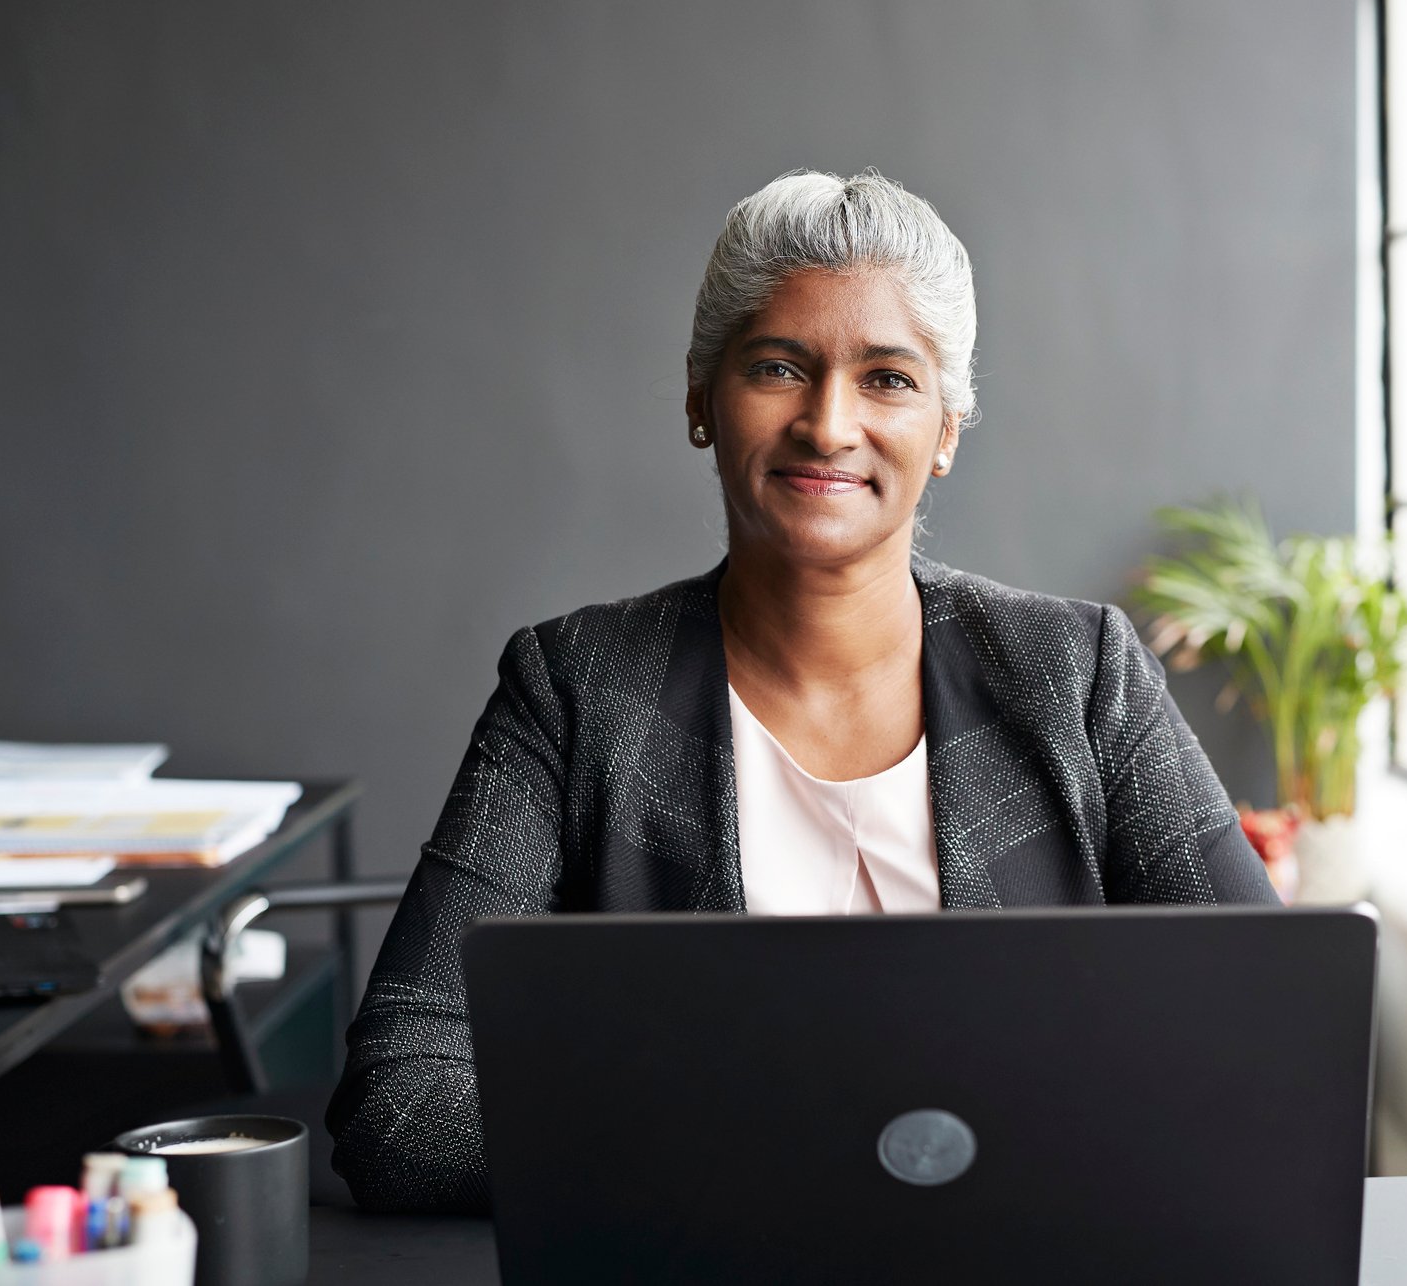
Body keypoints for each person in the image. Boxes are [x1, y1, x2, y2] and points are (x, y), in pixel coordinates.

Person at [325, 170, 1278, 1213]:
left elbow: (1267, 1033)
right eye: (778, 367)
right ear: (702, 399)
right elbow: (401, 1102)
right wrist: (759, 1161)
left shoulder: (1078, 672)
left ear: (947, 428)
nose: (828, 425)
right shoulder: (575, 688)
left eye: (888, 379)